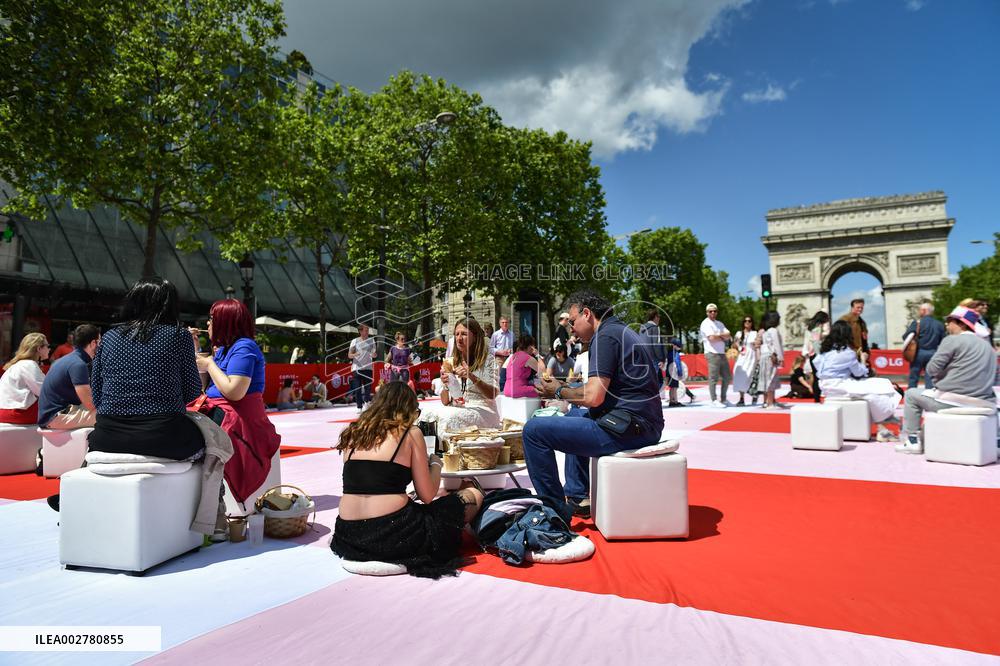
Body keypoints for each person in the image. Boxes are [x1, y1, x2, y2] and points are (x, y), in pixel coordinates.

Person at [527, 290, 664, 516]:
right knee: (574, 415)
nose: (571, 329)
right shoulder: (620, 331)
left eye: (573, 322)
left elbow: (593, 397)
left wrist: (558, 391)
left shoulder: (605, 337)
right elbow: (601, 391)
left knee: (533, 431)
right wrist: (566, 389)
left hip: (628, 428)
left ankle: (554, 513)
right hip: (641, 423)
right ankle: (578, 496)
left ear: (587, 314)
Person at [330, 381, 483, 578]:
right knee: (473, 495)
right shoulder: (410, 433)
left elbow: (370, 482)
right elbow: (427, 495)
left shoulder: (353, 433)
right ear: (408, 410)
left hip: (349, 534)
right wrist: (436, 464)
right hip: (395, 532)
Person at [87, 278, 204, 459]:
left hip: (107, 437)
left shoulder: (109, 337)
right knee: (212, 442)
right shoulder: (179, 335)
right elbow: (192, 391)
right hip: (164, 436)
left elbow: (96, 394)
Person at [195, 298, 281, 500]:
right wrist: (197, 350)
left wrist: (209, 365)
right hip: (221, 412)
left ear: (225, 321)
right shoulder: (224, 348)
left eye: (212, 318)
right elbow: (206, 388)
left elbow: (234, 392)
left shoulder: (244, 347)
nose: (208, 323)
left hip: (237, 420)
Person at [897, 306, 997, 454]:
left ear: (961, 324)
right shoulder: (988, 347)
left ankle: (912, 440)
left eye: (950, 321)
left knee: (911, 394)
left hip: (954, 401)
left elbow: (931, 369)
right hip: (984, 402)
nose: (946, 324)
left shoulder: (952, 340)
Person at [813, 320, 900, 442]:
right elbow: (860, 372)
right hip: (839, 385)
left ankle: (883, 423)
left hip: (825, 385)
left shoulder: (824, 351)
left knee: (878, 385)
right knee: (878, 388)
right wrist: (863, 359)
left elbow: (816, 364)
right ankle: (884, 419)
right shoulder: (847, 352)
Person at [438, 318, 500, 433]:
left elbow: (493, 394)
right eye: (457, 334)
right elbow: (445, 401)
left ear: (475, 337)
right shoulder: (451, 362)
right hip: (458, 408)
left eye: (464, 334)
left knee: (450, 418)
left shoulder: (488, 361)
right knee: (433, 416)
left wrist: (472, 377)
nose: (459, 338)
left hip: (483, 410)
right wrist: (446, 384)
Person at [37, 324, 100, 429]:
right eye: (99, 342)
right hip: (55, 417)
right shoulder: (78, 364)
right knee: (110, 415)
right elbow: (90, 404)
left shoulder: (67, 360)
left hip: (52, 415)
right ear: (93, 343)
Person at [0, 333, 49, 424]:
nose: (49, 349)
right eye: (47, 346)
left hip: (5, 411)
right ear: (39, 349)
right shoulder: (29, 364)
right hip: (19, 413)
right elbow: (45, 391)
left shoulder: (18, 364)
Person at [902, 302, 945, 389]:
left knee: (913, 377)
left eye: (920, 310)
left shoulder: (917, 323)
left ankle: (911, 394)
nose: (919, 312)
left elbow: (906, 336)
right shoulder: (939, 324)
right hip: (933, 353)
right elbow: (943, 340)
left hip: (918, 353)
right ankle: (928, 395)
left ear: (924, 311)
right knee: (930, 378)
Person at [699, 303, 732, 407]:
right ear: (707, 313)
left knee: (727, 377)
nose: (713, 313)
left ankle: (723, 399)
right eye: (710, 311)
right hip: (711, 352)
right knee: (713, 378)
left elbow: (728, 335)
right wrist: (722, 336)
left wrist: (718, 336)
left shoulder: (719, 323)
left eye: (715, 311)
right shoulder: (705, 323)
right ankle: (714, 400)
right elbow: (711, 338)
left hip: (721, 352)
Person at [753, 311, 785, 409]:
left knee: (766, 379)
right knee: (771, 379)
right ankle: (770, 403)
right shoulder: (774, 331)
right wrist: (781, 358)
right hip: (771, 356)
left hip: (765, 356)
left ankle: (768, 401)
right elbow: (777, 345)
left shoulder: (766, 331)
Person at [802, 311, 831, 402]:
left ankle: (816, 397)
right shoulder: (817, 327)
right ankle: (818, 397)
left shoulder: (809, 327)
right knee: (820, 376)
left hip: (811, 353)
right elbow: (816, 341)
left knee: (815, 376)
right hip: (817, 353)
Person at [503, 334, 544, 398]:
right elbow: (543, 371)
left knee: (535, 385)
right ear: (531, 346)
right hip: (517, 390)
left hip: (507, 390)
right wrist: (537, 355)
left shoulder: (513, 356)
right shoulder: (527, 358)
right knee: (543, 391)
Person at [639, 309, 667, 396]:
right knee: (655, 383)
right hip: (653, 359)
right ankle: (651, 400)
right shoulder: (655, 328)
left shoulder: (641, 329)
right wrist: (661, 359)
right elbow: (656, 344)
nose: (659, 318)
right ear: (655, 317)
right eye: (658, 316)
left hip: (643, 358)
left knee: (646, 382)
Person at [732, 315, 759, 406]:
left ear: (752, 323)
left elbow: (758, 345)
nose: (747, 322)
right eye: (745, 321)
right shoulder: (739, 333)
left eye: (749, 321)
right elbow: (735, 346)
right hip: (741, 356)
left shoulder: (755, 333)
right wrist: (735, 343)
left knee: (750, 375)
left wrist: (756, 344)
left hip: (751, 356)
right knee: (738, 373)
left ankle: (754, 394)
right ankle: (741, 398)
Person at [349, 324, 375, 412]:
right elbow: (349, 355)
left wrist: (374, 354)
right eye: (365, 330)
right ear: (360, 331)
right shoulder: (354, 341)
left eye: (368, 330)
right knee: (358, 389)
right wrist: (355, 354)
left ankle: (367, 402)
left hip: (368, 368)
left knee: (368, 388)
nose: (367, 332)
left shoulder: (371, 340)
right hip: (357, 368)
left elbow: (374, 353)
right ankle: (359, 407)